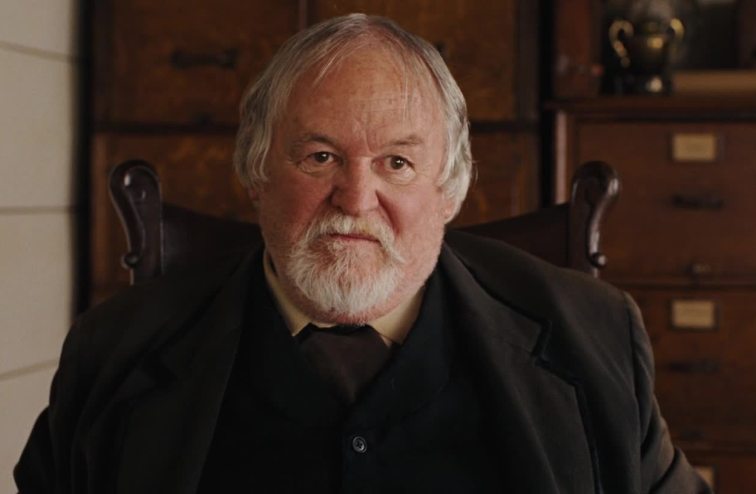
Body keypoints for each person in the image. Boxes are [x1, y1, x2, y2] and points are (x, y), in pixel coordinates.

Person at [15, 13, 710, 494]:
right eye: (320, 156)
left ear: (450, 190)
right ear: (255, 172)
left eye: (397, 163)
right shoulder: (115, 351)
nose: (355, 198)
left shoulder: (595, 339)